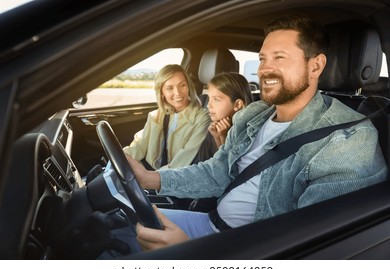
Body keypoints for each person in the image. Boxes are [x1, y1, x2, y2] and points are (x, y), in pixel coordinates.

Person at [127, 14, 388, 252]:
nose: (264, 68)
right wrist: (149, 178)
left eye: (279, 57)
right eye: (263, 58)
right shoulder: (252, 115)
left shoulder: (348, 139)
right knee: (117, 224)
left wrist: (195, 255)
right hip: (211, 225)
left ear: (316, 66)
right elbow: (217, 172)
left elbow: (313, 248)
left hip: (251, 250)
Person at [123, 64, 210, 170]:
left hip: (170, 178)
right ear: (162, 93)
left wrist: (151, 178)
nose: (177, 93)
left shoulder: (202, 118)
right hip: (149, 171)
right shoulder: (156, 115)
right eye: (169, 88)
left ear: (188, 86)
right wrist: (121, 158)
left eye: (182, 85)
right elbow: (139, 146)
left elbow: (182, 161)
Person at [196, 72, 253, 162]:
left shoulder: (248, 133)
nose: (208, 105)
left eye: (216, 99)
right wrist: (217, 137)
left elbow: (228, 167)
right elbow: (216, 162)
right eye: (209, 98)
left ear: (237, 104)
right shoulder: (216, 127)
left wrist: (223, 136)